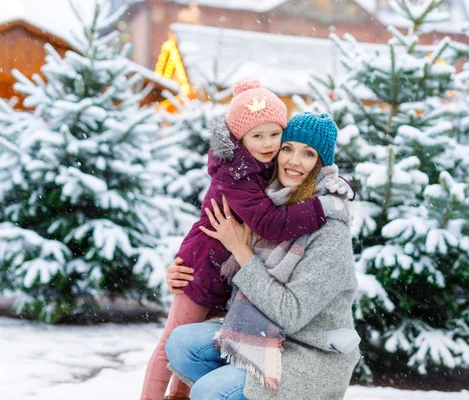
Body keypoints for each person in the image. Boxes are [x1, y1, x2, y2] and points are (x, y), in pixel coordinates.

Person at [140, 79, 352, 400]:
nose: (292, 160)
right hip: (233, 301)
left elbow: (290, 314)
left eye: (307, 154)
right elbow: (233, 228)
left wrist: (240, 249)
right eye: (288, 149)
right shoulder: (262, 189)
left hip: (308, 348)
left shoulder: (327, 222)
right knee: (178, 342)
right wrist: (185, 269)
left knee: (211, 391)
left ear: (322, 165)